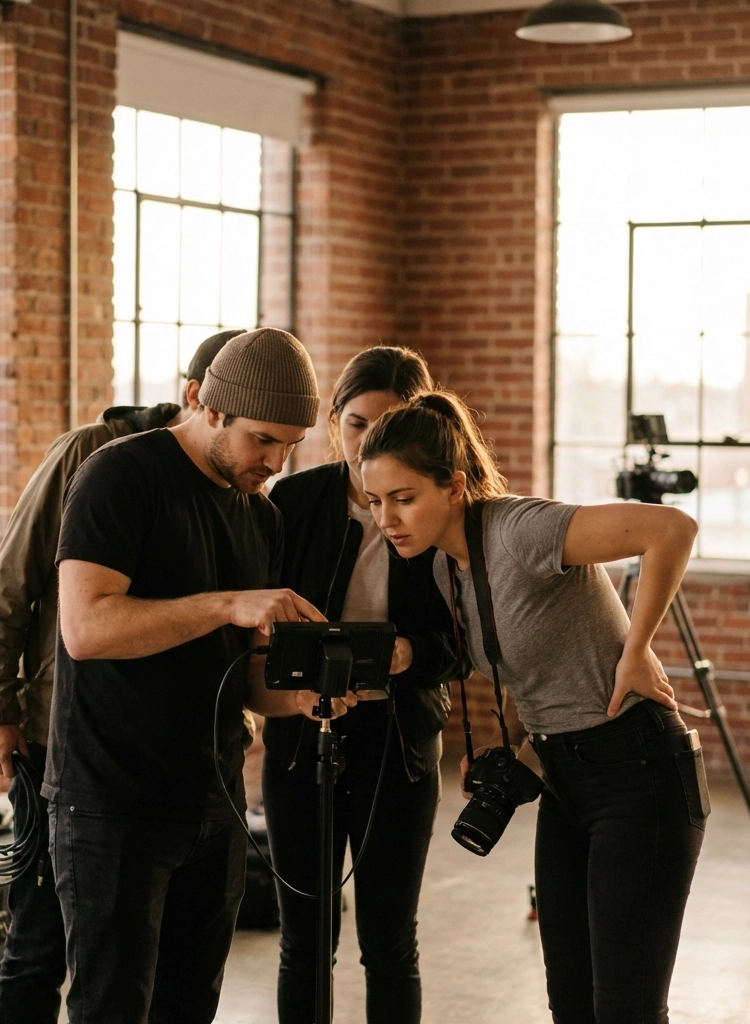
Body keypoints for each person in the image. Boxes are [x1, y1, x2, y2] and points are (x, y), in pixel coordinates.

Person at [359, 391, 708, 1024]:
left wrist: (637, 649)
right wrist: (509, 750)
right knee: (570, 1004)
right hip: (565, 779)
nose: (387, 518)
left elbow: (671, 529)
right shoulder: (447, 568)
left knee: (624, 1008)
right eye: (375, 501)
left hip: (639, 773)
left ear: (455, 485)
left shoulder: (523, 528)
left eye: (403, 498)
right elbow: (526, 671)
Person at [47, 328, 355, 1024]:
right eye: (263, 440)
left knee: (191, 1008)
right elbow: (85, 630)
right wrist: (226, 603)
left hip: (213, 800)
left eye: (290, 446)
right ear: (205, 405)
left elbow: (245, 681)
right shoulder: (120, 475)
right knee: (111, 1007)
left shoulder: (263, 518)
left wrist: (304, 697)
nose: (275, 462)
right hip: (111, 801)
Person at [0, 329, 245, 1024]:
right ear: (200, 399)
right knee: (40, 943)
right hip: (58, 742)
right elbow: (12, 587)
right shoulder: (92, 458)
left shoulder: (234, 491)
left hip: (161, 760)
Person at [263, 347, 459, 1024]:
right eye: (355, 424)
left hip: (399, 742)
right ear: (331, 423)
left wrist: (412, 652)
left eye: (388, 425)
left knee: (389, 941)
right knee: (305, 942)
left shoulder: (444, 510)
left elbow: (468, 639)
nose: (367, 441)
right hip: (300, 737)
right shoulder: (293, 499)